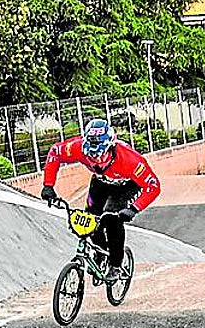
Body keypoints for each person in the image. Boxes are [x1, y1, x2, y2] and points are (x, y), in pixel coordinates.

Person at [40, 118, 161, 281]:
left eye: (99, 155)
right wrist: (48, 185)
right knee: (89, 221)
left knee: (111, 220)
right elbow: (55, 152)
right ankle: (101, 251)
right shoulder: (78, 148)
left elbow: (153, 186)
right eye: (90, 155)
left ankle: (116, 265)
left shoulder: (130, 160)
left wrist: (134, 209)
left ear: (110, 147)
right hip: (100, 181)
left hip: (125, 186)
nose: (95, 159)